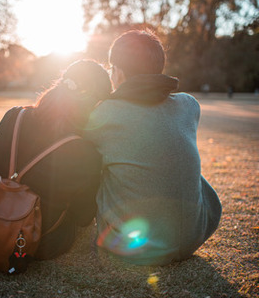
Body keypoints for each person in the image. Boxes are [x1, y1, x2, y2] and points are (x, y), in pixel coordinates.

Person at [83, 30, 222, 266]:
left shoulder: (104, 113)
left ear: (118, 70)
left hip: (135, 247)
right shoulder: (189, 105)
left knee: (95, 164)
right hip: (195, 236)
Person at [0, 59, 112, 260]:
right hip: (40, 242)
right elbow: (84, 216)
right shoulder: (84, 152)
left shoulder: (13, 116)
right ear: (95, 103)